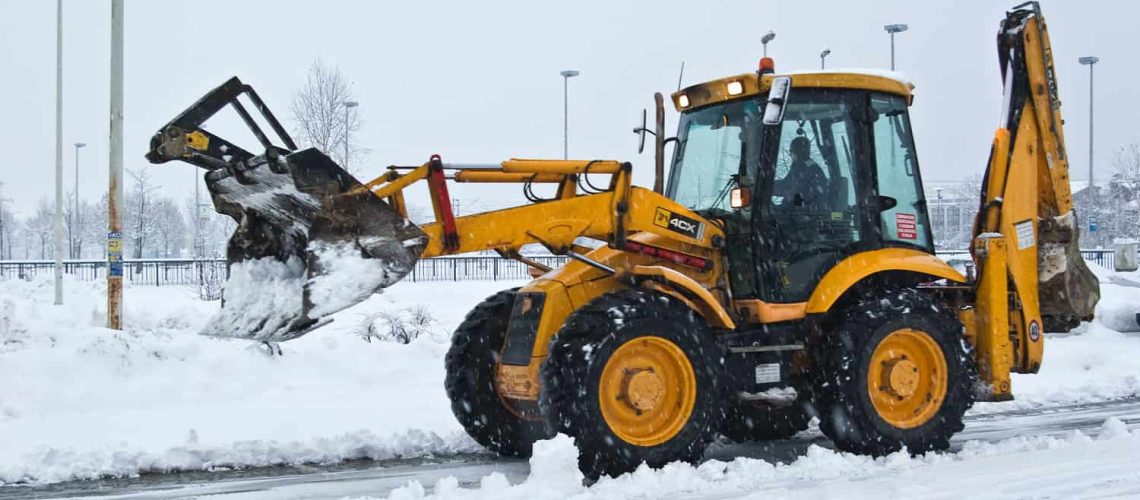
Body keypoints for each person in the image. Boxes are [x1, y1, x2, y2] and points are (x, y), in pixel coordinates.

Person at [773, 136, 827, 208]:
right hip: (810, 208)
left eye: (791, 151)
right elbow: (787, 183)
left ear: (796, 152)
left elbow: (788, 188)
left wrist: (767, 188)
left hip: (805, 211)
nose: (790, 154)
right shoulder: (811, 165)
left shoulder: (801, 167)